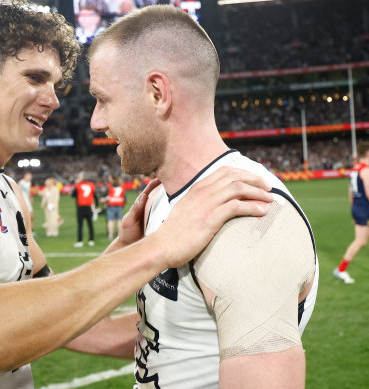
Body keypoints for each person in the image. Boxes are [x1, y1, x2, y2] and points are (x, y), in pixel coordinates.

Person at [0, 2, 273, 388]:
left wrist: (212, 323)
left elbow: (71, 325)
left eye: (56, 85)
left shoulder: (6, 189)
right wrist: (158, 249)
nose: (52, 100)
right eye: (34, 77)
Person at [70, 6, 319, 388]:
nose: (96, 121)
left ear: (157, 93)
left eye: (103, 99)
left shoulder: (248, 221)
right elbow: (169, 332)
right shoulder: (159, 200)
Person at [334, 141, 369, 284]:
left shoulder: (355, 169)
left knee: (362, 240)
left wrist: (354, 209)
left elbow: (350, 192)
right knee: (360, 241)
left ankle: (341, 269)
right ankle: (341, 270)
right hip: (364, 208)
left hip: (358, 207)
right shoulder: (365, 170)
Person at [72, 172, 98, 247]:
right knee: (90, 224)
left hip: (80, 207)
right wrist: (96, 205)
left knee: (80, 225)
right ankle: (91, 240)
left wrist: (76, 185)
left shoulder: (78, 185)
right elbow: (95, 196)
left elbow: (73, 195)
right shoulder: (91, 185)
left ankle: (80, 241)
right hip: (89, 207)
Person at [105, 175, 126, 240]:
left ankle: (110, 235)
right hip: (119, 205)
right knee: (119, 220)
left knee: (110, 221)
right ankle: (120, 235)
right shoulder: (122, 187)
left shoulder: (109, 186)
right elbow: (124, 198)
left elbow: (107, 196)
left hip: (111, 205)